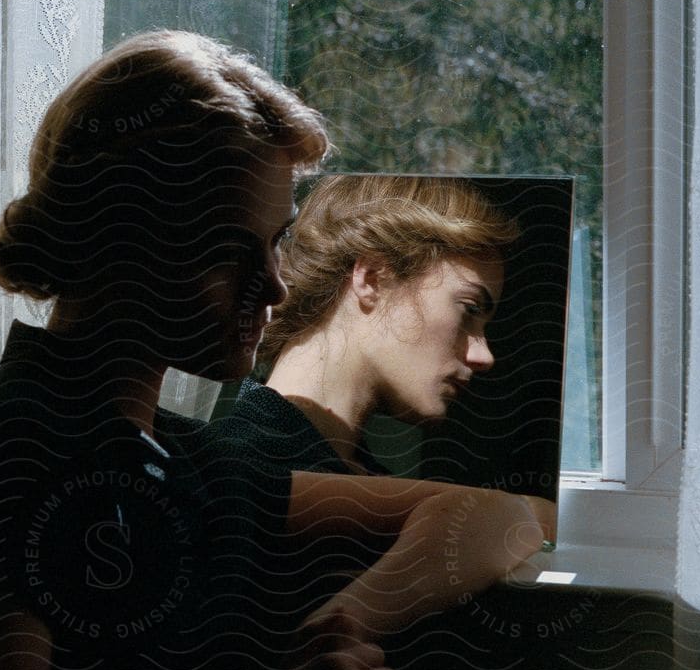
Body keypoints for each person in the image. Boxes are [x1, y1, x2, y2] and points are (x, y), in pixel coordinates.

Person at [0, 38, 552, 670]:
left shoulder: (187, 462)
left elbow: (506, 516)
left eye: (273, 243)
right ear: (121, 236)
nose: (275, 285)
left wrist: (342, 626)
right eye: (229, 250)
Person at [216, 171, 521, 479]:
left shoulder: (363, 483)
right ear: (372, 279)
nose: (484, 356)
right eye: (469, 309)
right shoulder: (230, 477)